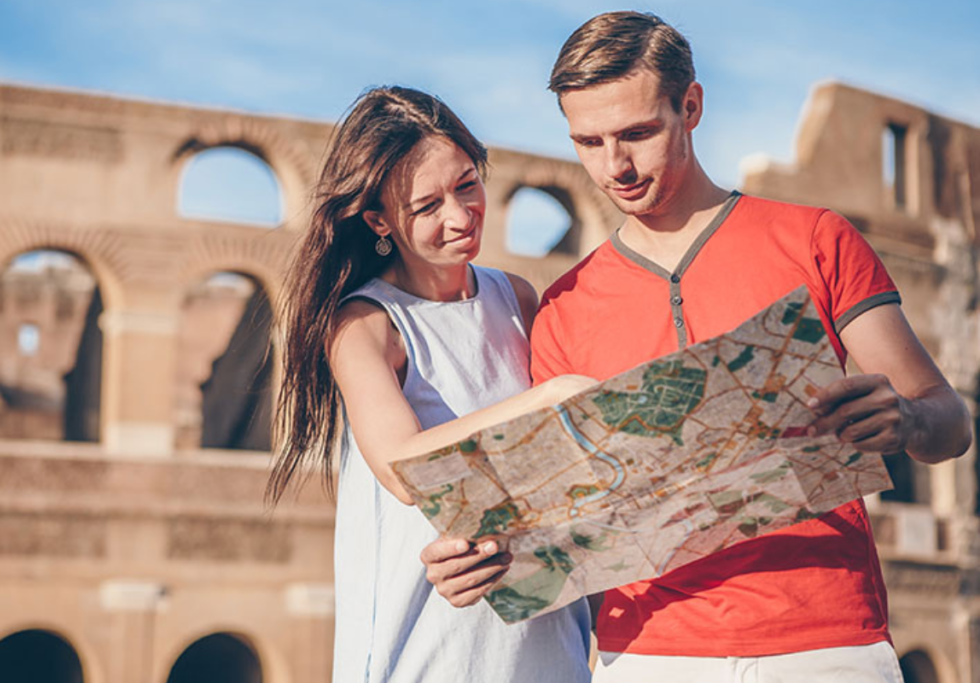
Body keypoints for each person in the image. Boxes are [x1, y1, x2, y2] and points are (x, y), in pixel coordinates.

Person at [420, 11, 972, 682]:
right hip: (648, 651)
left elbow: (948, 422)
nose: (614, 166)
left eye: (637, 134)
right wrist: (480, 558)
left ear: (692, 105)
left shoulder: (816, 239)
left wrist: (909, 418)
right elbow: (559, 519)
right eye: (588, 142)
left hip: (825, 640)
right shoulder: (563, 306)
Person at [267, 85, 592, 683]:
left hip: (544, 643)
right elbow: (400, 464)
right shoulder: (363, 323)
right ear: (379, 221)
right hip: (427, 649)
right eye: (427, 206)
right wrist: (546, 401)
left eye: (467, 185)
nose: (459, 216)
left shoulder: (517, 298)